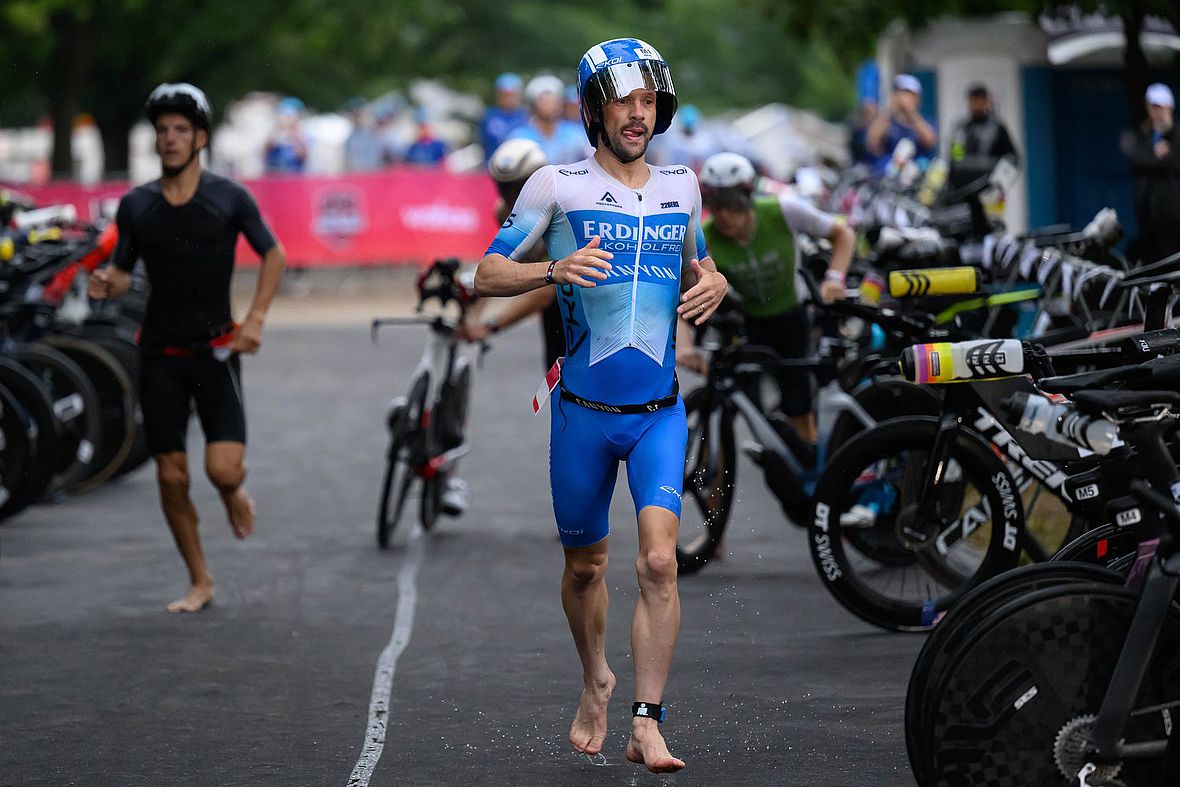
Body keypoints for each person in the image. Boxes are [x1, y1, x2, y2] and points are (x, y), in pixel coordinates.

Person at [475, 38, 726, 774]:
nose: (638, 114)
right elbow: (485, 272)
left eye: (648, 101)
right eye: (624, 101)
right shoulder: (556, 186)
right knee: (585, 567)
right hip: (581, 413)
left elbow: (701, 264)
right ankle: (596, 677)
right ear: (593, 110)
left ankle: (648, 720)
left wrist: (715, 283)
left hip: (658, 412)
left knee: (658, 560)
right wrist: (552, 267)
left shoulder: (683, 185)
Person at [88, 83, 286, 613]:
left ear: (200, 137)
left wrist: (256, 318)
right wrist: (107, 283)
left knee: (223, 470)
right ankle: (200, 580)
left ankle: (231, 494)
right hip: (160, 356)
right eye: (162, 131)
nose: (170, 139)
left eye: (180, 130)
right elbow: (123, 273)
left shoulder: (229, 198)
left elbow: (274, 255)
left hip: (217, 353)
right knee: (171, 475)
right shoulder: (137, 205)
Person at [681, 152, 854, 445]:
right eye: (714, 204)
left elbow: (843, 234)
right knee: (745, 411)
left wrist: (835, 279)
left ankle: (812, 474)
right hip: (750, 325)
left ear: (749, 197)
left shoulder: (782, 210)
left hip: (793, 319)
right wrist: (684, 347)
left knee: (799, 408)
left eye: (733, 204)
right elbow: (686, 293)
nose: (723, 214)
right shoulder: (705, 236)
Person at [459, 138, 564, 369]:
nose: (511, 197)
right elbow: (500, 267)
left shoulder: (558, 212)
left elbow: (546, 290)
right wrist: (471, 316)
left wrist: (490, 326)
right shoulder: (504, 212)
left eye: (517, 188)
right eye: (504, 188)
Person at [1126, 83, 1180, 264]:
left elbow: (1171, 163)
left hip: (1173, 219)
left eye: (1161, 107)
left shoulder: (1177, 135)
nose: (1158, 113)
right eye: (1153, 107)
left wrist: (1159, 160)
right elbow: (1135, 162)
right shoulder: (1146, 136)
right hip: (1147, 217)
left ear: (1170, 107)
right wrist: (1156, 158)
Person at [947, 84, 1019, 190]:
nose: (976, 105)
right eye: (973, 101)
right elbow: (955, 158)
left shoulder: (997, 129)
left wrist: (1001, 183)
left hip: (990, 186)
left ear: (986, 101)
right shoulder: (961, 129)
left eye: (980, 101)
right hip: (963, 187)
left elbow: (1012, 159)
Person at [507, 74, 590, 165]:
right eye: (545, 101)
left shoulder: (576, 134)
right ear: (533, 105)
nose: (551, 106)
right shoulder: (519, 137)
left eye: (554, 101)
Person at [867, 74, 937, 173]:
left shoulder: (925, 121)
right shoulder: (888, 121)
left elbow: (930, 141)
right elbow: (872, 142)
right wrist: (890, 109)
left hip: (917, 173)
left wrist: (911, 112)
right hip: (891, 174)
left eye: (909, 94)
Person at [479, 73, 529, 163]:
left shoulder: (525, 117)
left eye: (512, 95)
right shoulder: (489, 117)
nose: (509, 99)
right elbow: (482, 143)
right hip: (491, 165)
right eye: (505, 95)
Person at [264, 96, 309, 174]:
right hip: (274, 174)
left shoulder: (304, 134)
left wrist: (294, 133)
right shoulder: (275, 132)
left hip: (295, 176)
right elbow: (266, 150)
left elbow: (302, 156)